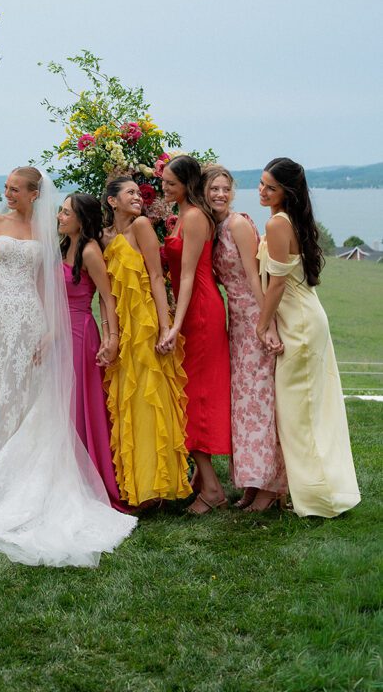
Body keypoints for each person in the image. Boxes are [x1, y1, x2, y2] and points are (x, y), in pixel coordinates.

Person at [0, 166, 136, 566]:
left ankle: (14, 475)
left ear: (35, 194)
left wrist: (52, 329)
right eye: (6, 188)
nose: (9, 195)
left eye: (15, 189)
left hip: (28, 320)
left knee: (22, 394)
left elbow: (48, 284)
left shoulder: (48, 236)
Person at [256, 157, 360, 518]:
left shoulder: (277, 223)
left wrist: (261, 324)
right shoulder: (291, 221)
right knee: (308, 411)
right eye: (262, 183)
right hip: (305, 317)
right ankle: (310, 490)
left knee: (298, 414)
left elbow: (279, 283)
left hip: (299, 324)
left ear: (287, 192)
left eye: (271, 186)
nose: (262, 190)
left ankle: (319, 498)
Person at [101, 177, 191, 508]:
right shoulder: (105, 237)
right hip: (122, 329)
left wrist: (166, 327)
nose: (138, 198)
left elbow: (156, 275)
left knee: (150, 398)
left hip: (147, 324)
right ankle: (135, 485)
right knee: (128, 398)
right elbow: (104, 292)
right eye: (130, 193)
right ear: (112, 201)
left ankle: (157, 486)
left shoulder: (141, 226)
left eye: (140, 193)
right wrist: (108, 331)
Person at [203, 164, 287, 512]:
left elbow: (255, 278)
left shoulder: (237, 223)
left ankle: (271, 486)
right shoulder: (215, 226)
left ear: (233, 192)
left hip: (253, 314)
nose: (220, 194)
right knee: (244, 403)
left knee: (259, 400)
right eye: (213, 189)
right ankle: (253, 482)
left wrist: (265, 325)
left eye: (225, 188)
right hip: (234, 321)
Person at [160, 155, 231, 514]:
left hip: (201, 312)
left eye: (170, 183)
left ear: (187, 184)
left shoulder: (194, 217)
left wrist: (175, 324)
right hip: (189, 311)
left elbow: (188, 276)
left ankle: (213, 489)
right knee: (189, 394)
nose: (164, 187)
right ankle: (204, 481)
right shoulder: (179, 216)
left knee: (196, 396)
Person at [57, 193, 125, 511]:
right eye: (60, 210)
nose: (60, 215)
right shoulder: (63, 247)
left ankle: (86, 476)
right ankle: (61, 471)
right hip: (58, 334)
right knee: (58, 405)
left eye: (66, 212)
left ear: (81, 219)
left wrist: (111, 339)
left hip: (81, 335)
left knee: (78, 405)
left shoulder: (89, 250)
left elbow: (108, 299)